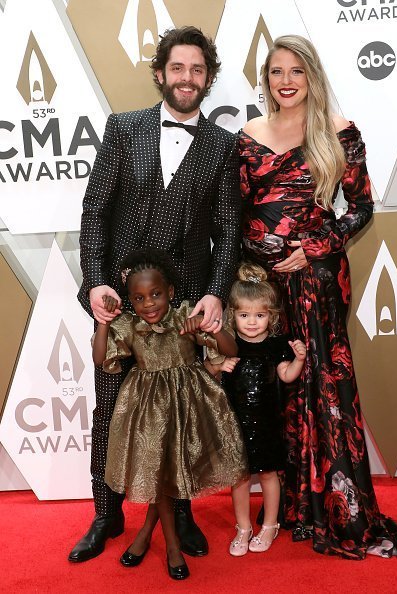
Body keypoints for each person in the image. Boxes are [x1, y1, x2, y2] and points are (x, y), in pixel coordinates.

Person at [239, 35, 397, 559]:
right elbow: (236, 212)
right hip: (263, 288)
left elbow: (360, 208)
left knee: (323, 384)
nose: (285, 81)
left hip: (318, 279)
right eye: (276, 72)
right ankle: (289, 506)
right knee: (275, 388)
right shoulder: (247, 135)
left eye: (296, 72)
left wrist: (311, 247)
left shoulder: (339, 132)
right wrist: (253, 257)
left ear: (312, 77)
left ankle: (336, 503)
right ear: (266, 80)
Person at [69, 26, 241, 563]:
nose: (186, 78)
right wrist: (96, 278)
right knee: (109, 408)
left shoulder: (223, 144)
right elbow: (95, 211)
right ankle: (106, 511)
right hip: (119, 301)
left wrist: (214, 293)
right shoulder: (124, 128)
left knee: (180, 412)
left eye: (197, 69)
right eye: (178, 67)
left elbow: (230, 229)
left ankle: (181, 512)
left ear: (207, 78)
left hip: (185, 302)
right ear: (161, 72)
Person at [93, 248, 247, 580]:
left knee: (166, 475)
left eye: (156, 294)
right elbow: (100, 358)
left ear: (171, 292)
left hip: (188, 405)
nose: (148, 303)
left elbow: (231, 349)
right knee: (158, 474)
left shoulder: (184, 317)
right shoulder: (130, 326)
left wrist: (209, 326)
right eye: (139, 298)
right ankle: (173, 547)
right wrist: (103, 322)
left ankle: (147, 532)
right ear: (130, 302)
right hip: (148, 409)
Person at [208, 262, 305, 556]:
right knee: (239, 478)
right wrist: (218, 365)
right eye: (244, 315)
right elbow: (204, 372)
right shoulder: (229, 345)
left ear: (271, 316)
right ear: (232, 315)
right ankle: (243, 528)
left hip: (267, 424)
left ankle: (270, 524)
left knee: (268, 475)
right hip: (235, 425)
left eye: (260, 315)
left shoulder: (276, 346)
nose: (252, 322)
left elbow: (287, 375)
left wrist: (299, 359)